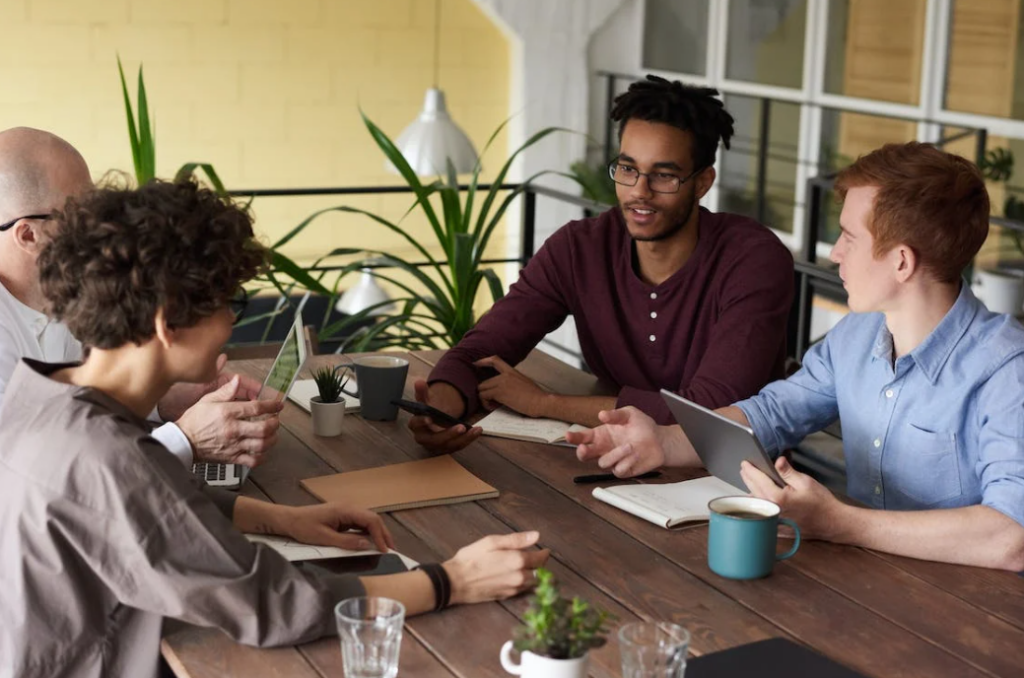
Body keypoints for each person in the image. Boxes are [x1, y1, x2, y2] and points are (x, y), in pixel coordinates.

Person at [0, 178, 549, 678]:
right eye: (225, 303)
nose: (232, 324)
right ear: (168, 324)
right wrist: (453, 580)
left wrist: (279, 517)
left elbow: (136, 509)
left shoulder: (43, 393)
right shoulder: (105, 455)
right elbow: (273, 604)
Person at [568, 142, 1024, 572]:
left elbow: (1011, 537)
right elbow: (772, 413)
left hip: (978, 617)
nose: (835, 255)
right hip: (870, 582)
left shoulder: (1008, 369)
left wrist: (840, 523)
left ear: (901, 262)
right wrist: (664, 441)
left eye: (848, 237)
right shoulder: (857, 334)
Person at [409, 76, 793, 453]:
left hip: (734, 482)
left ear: (703, 182)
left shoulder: (753, 259)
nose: (639, 192)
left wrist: (545, 403)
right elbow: (483, 349)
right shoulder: (580, 248)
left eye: (663, 175)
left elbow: (708, 412)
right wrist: (440, 411)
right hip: (614, 460)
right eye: (627, 169)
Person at [0, 126, 277, 468]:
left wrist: (164, 400)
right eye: (81, 215)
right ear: (28, 234)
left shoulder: (66, 293)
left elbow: (83, 417)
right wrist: (185, 439)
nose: (99, 227)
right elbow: (41, 473)